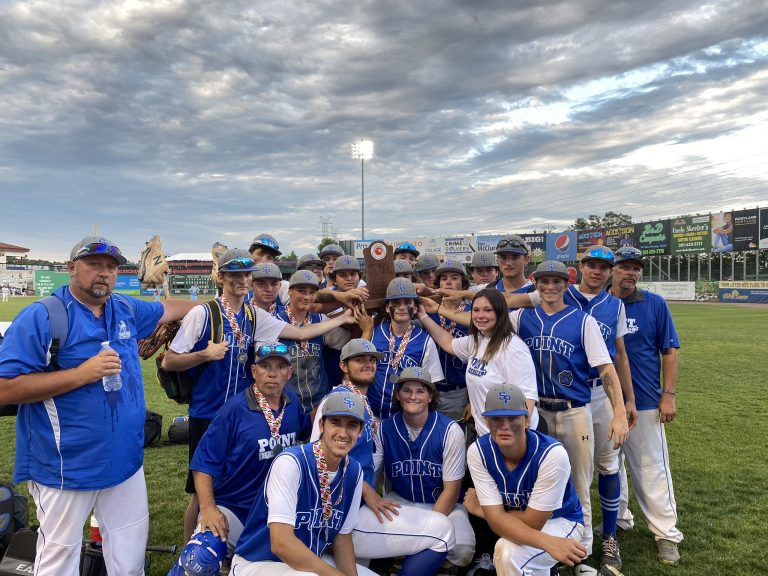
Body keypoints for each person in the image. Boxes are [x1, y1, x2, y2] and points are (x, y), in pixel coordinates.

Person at [0, 236, 198, 576]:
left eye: (111, 267)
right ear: (71, 268)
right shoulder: (44, 316)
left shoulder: (124, 307)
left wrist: (219, 305)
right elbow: (5, 388)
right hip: (66, 466)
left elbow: (172, 309)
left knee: (130, 555)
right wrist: (80, 374)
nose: (103, 273)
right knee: (59, 560)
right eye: (94, 264)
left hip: (125, 461)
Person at [162, 248, 357, 541]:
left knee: (238, 479)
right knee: (200, 488)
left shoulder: (254, 315)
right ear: (221, 277)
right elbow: (170, 360)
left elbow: (300, 334)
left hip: (245, 412)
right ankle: (193, 544)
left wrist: (342, 320)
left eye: (245, 274)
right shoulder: (204, 313)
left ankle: (238, 538)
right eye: (235, 274)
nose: (241, 280)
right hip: (207, 411)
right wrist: (205, 354)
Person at [500, 246, 638, 572]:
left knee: (578, 484)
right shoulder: (522, 318)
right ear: (535, 284)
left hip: (574, 410)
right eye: (544, 281)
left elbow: (607, 368)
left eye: (557, 281)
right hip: (536, 413)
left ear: (566, 284)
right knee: (538, 483)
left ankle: (582, 554)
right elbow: (487, 314)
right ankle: (544, 545)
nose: (550, 287)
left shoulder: (583, 321)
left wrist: (619, 412)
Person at [312, 352, 456, 576]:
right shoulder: (338, 401)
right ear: (343, 366)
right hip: (343, 512)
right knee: (442, 532)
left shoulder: (362, 403)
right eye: (359, 359)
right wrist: (368, 492)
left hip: (357, 508)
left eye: (371, 360)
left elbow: (371, 466)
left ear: (430, 396)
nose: (368, 364)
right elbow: (320, 457)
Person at [230, 393, 376, 576]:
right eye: (336, 422)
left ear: (361, 431)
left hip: (308, 561)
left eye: (352, 425)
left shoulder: (354, 472)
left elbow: (342, 538)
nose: (343, 433)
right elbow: (281, 543)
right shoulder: (291, 463)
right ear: (322, 425)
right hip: (257, 562)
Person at [187, 343, 311, 554]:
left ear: (289, 373)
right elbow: (204, 464)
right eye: (265, 366)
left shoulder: (293, 405)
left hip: (279, 508)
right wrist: (208, 509)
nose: (272, 374)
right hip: (235, 507)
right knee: (202, 555)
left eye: (280, 367)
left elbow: (309, 436)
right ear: (254, 371)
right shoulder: (234, 410)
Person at [608, 247, 683, 565]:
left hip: (647, 401)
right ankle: (619, 519)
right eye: (624, 267)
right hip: (605, 402)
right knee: (611, 467)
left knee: (651, 469)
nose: (631, 272)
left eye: (636, 268)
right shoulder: (598, 303)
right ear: (612, 270)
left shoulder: (654, 303)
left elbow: (670, 350)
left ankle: (666, 534)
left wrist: (669, 394)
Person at [464, 385, 587, 576]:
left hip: (563, 520)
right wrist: (547, 542)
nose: (504, 426)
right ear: (486, 422)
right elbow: (497, 520)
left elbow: (532, 523)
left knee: (507, 552)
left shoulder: (552, 454)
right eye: (496, 418)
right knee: (510, 552)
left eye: (513, 418)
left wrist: (483, 511)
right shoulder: (478, 452)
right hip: (528, 524)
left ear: (527, 421)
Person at [375, 366, 476, 569]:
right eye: (407, 391)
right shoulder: (384, 429)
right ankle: (414, 556)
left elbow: (452, 490)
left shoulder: (450, 430)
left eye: (421, 391)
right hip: (402, 502)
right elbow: (372, 476)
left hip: (444, 505)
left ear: (430, 396)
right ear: (397, 395)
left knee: (463, 549)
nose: (413, 396)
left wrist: (426, 531)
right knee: (366, 528)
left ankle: (424, 561)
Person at [419, 288, 539, 437]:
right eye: (476, 310)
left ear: (500, 312)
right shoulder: (478, 340)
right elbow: (448, 343)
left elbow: (528, 399)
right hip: (486, 435)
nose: (480, 315)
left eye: (488, 310)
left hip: (510, 437)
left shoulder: (513, 348)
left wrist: (514, 439)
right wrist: (423, 316)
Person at [273, 270, 353, 413]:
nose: (307, 297)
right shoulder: (274, 320)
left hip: (318, 400)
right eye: (301, 291)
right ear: (290, 291)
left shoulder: (320, 319)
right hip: (286, 403)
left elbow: (345, 343)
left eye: (312, 292)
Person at [369, 277, 444, 420]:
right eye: (395, 303)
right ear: (386, 307)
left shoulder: (425, 341)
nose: (401, 307)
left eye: (407, 302)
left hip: (405, 418)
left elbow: (431, 384)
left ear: (415, 308)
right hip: (371, 414)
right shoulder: (373, 332)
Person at [425, 259, 472, 422]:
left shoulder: (472, 312)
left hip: (458, 392)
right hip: (430, 389)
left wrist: (473, 400)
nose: (449, 282)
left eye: (454, 277)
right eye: (444, 278)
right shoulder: (429, 311)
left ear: (464, 284)